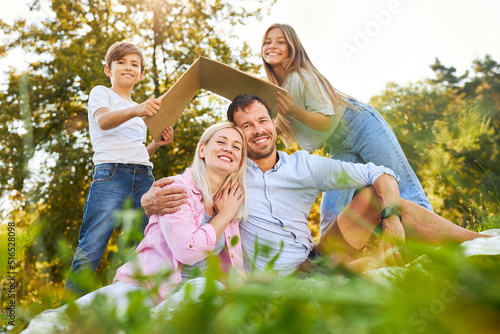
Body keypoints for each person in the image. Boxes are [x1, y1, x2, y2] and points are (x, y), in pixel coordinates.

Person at [142, 94, 489, 275]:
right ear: (237, 134)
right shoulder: (229, 172)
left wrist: (392, 216)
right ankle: (369, 267)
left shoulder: (304, 166)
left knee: (373, 196)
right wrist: (149, 200)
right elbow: (186, 185)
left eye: (263, 120)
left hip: (317, 258)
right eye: (245, 126)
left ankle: (483, 243)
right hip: (280, 278)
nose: (257, 129)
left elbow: (381, 173)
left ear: (274, 125)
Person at [22, 122, 247, 333]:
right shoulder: (176, 188)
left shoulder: (230, 203)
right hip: (146, 286)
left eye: (236, 147)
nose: (229, 148)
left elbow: (229, 269)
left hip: (182, 301)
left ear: (239, 161)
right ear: (202, 150)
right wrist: (224, 215)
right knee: (70, 322)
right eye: (221, 141)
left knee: (210, 290)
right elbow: (188, 251)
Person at [261, 23, 433, 235]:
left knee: (404, 188)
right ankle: (329, 263)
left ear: (292, 48)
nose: (272, 46)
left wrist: (295, 111)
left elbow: (325, 121)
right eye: (267, 42)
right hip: (338, 144)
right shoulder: (277, 90)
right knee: (332, 210)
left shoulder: (304, 75)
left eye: (280, 42)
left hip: (360, 124)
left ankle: (439, 247)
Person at [64, 41, 174, 301]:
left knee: (150, 243)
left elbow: (136, 151)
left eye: (134, 64)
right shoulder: (102, 93)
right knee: (92, 245)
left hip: (143, 176)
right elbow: (103, 122)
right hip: (110, 175)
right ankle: (66, 316)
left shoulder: (139, 109)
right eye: (121, 62)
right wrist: (137, 110)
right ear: (108, 69)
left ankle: (144, 307)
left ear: (142, 74)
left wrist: (156, 144)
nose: (128, 67)